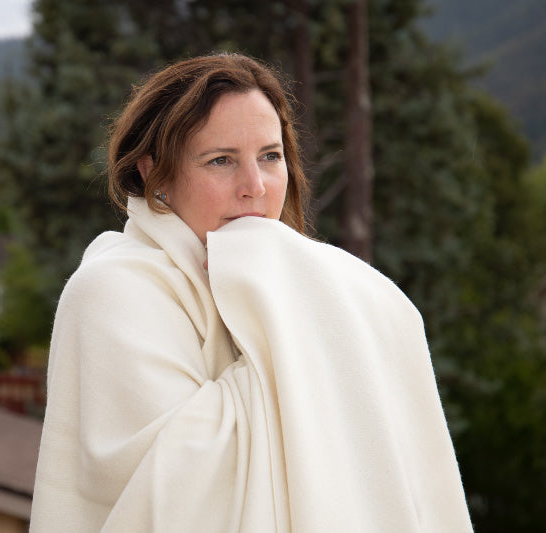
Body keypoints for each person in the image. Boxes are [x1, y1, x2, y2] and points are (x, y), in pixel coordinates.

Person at [30, 53, 473, 532]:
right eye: (221, 160)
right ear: (154, 175)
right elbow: (183, 491)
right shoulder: (113, 291)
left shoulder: (283, 283)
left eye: (270, 156)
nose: (255, 187)